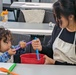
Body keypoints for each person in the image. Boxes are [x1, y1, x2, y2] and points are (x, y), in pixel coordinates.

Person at [32, 0, 76, 65]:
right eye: (55, 16)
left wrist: (54, 62)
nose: (56, 20)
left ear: (71, 17)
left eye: (59, 17)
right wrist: (41, 48)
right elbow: (51, 50)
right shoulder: (58, 28)